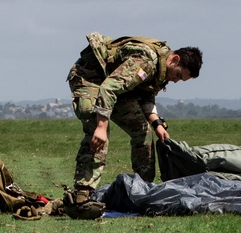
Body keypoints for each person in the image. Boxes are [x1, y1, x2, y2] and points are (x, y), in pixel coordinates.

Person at [65, 33, 202, 212]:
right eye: (177, 75)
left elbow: (145, 96)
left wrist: (157, 124)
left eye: (179, 79)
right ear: (175, 59)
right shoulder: (145, 61)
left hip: (112, 86)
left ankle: (142, 190)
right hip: (89, 78)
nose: (175, 81)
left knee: (143, 132)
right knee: (98, 134)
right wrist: (101, 126)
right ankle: (82, 195)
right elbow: (108, 89)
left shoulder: (161, 69)